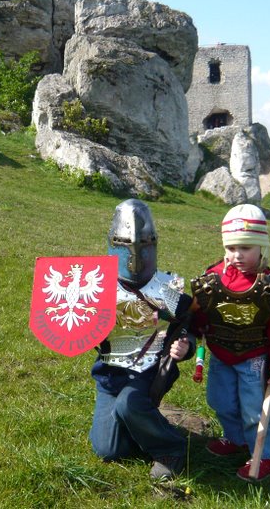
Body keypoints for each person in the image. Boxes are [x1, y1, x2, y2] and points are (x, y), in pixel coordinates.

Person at [89, 199, 196, 481]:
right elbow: (80, 329)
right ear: (113, 243)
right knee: (107, 450)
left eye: (144, 243)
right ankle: (144, 425)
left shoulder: (168, 289)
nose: (135, 253)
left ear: (153, 244)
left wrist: (186, 348)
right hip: (111, 376)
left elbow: (187, 330)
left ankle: (171, 448)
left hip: (149, 374)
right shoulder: (97, 285)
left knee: (130, 404)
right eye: (125, 243)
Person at [190, 204, 270, 481]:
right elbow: (204, 310)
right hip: (221, 354)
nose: (237, 255)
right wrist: (197, 323)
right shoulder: (214, 277)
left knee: (254, 411)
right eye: (232, 247)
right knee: (220, 401)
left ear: (261, 247)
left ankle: (266, 456)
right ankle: (235, 438)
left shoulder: (268, 287)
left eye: (246, 248)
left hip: (254, 359)